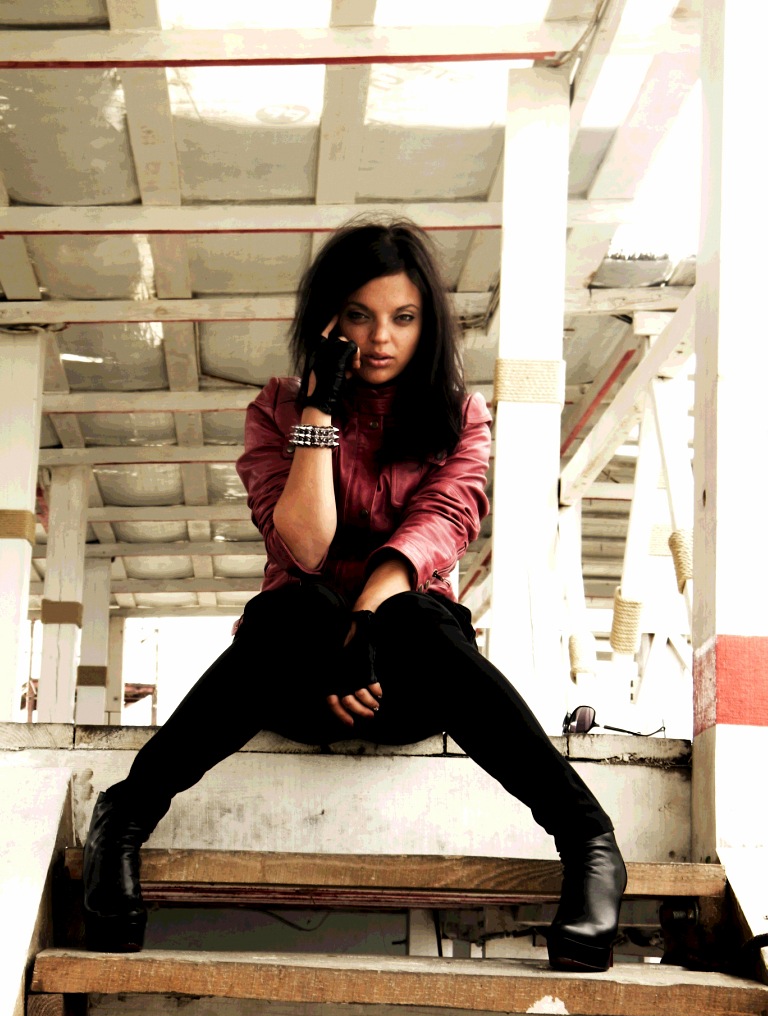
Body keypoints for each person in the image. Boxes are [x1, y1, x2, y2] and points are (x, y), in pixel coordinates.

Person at [82, 217, 626, 972]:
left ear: (427, 325)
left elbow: (441, 523)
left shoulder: (460, 417)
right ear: (328, 321)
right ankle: (124, 817)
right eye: (360, 316)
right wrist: (319, 410)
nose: (380, 339)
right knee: (299, 607)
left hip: (406, 678)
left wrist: (365, 629)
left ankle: (588, 839)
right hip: (300, 677)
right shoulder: (276, 409)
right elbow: (303, 549)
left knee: (415, 615)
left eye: (403, 317)